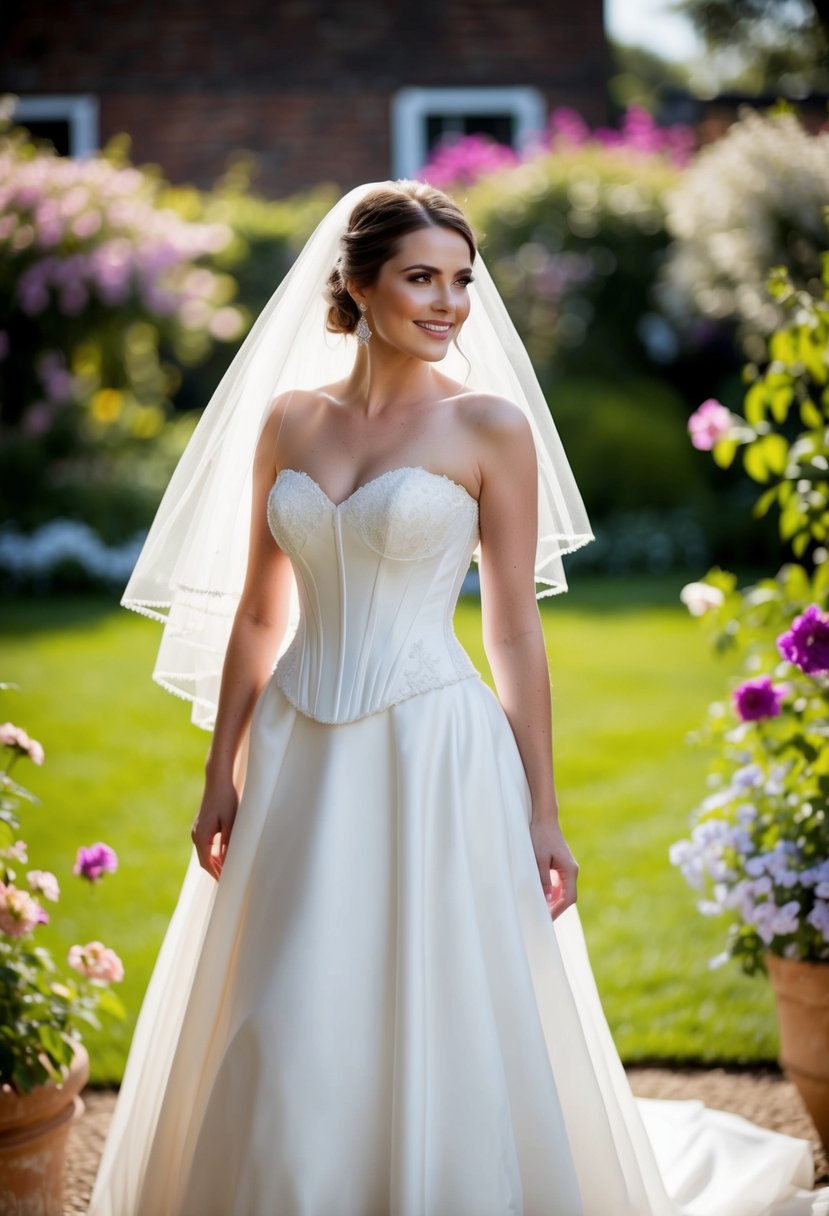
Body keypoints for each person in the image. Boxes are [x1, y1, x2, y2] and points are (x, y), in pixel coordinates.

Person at [89, 181, 825, 1216]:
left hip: (431, 744)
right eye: (420, 278)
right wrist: (223, 768)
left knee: (438, 1000)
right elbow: (259, 614)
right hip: (297, 744)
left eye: (461, 281)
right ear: (355, 283)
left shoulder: (489, 427)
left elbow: (513, 626)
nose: (448, 303)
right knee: (286, 995)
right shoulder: (288, 421)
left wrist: (544, 809)